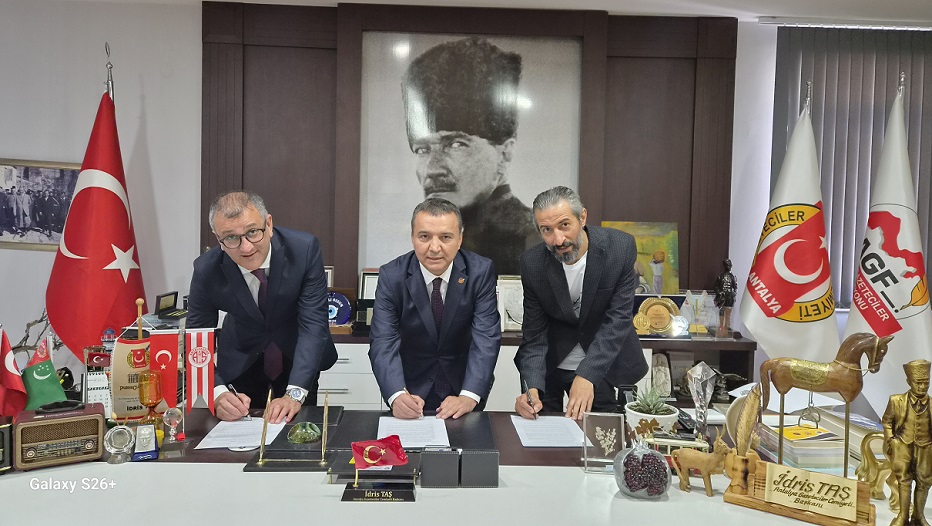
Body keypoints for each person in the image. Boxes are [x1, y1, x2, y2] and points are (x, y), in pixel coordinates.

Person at [187, 191, 337, 423]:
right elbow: (196, 339)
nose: (246, 248)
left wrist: (294, 394)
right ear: (218, 239)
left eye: (252, 232)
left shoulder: (304, 250)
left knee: (297, 433)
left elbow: (314, 324)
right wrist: (216, 393)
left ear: (268, 224)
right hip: (241, 362)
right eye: (231, 238)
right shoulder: (207, 269)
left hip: (297, 359)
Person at [401, 36, 538, 275]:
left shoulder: (530, 242)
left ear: (505, 152)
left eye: (455, 144)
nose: (433, 169)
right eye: (423, 149)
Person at [514, 186, 647, 420]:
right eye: (547, 230)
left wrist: (587, 373)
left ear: (582, 217)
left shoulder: (619, 248)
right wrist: (531, 386)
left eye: (564, 225)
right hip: (552, 364)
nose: (558, 239)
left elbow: (618, 320)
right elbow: (534, 334)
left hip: (604, 361)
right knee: (541, 431)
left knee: (604, 434)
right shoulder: (532, 263)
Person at [368, 198, 501, 420]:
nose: (435, 248)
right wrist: (397, 395)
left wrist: (469, 395)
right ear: (413, 237)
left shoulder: (480, 271)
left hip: (464, 386)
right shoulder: (391, 276)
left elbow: (486, 337)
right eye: (424, 237)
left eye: (446, 237)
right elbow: (383, 341)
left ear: (460, 239)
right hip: (410, 389)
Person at [882, 359, 932, 526]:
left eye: (926, 383)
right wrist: (891, 440)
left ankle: (919, 516)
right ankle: (903, 516)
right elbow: (887, 421)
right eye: (918, 383)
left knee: (924, 481)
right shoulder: (896, 401)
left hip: (925, 448)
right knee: (904, 480)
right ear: (909, 382)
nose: (922, 387)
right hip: (903, 445)